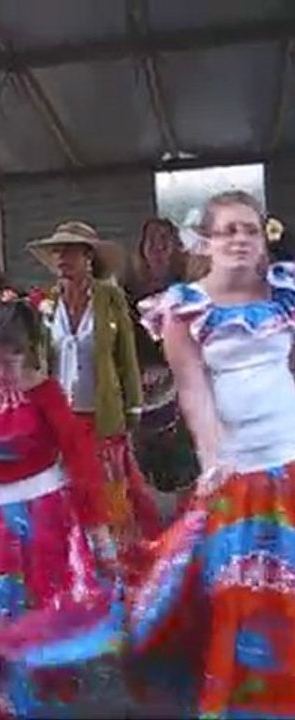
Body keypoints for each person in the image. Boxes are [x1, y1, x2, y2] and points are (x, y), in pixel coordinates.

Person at [130, 191, 295, 718]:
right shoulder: (185, 306)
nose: (241, 240)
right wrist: (212, 457)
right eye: (228, 231)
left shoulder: (286, 291)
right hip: (238, 473)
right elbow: (193, 388)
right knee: (240, 595)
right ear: (207, 241)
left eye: (250, 229)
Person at [0, 302, 120, 717]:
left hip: (46, 509)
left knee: (46, 611)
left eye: (8, 364)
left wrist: (99, 533)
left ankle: (47, 703)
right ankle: (6, 702)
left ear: (30, 353)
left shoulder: (45, 392)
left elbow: (81, 463)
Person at [28, 221, 160, 579]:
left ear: (89, 257)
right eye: (57, 252)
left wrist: (132, 409)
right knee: (66, 495)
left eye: (70, 251)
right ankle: (75, 569)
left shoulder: (109, 298)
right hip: (59, 418)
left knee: (108, 496)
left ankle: (120, 570)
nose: (62, 259)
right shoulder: (45, 303)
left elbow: (126, 359)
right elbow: (39, 360)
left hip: (99, 415)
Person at [124, 219, 198, 501]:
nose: (158, 246)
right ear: (141, 249)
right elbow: (124, 340)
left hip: (184, 389)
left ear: (176, 247)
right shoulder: (128, 292)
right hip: (144, 392)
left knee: (187, 469)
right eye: (151, 240)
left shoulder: (189, 290)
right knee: (148, 472)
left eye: (165, 239)